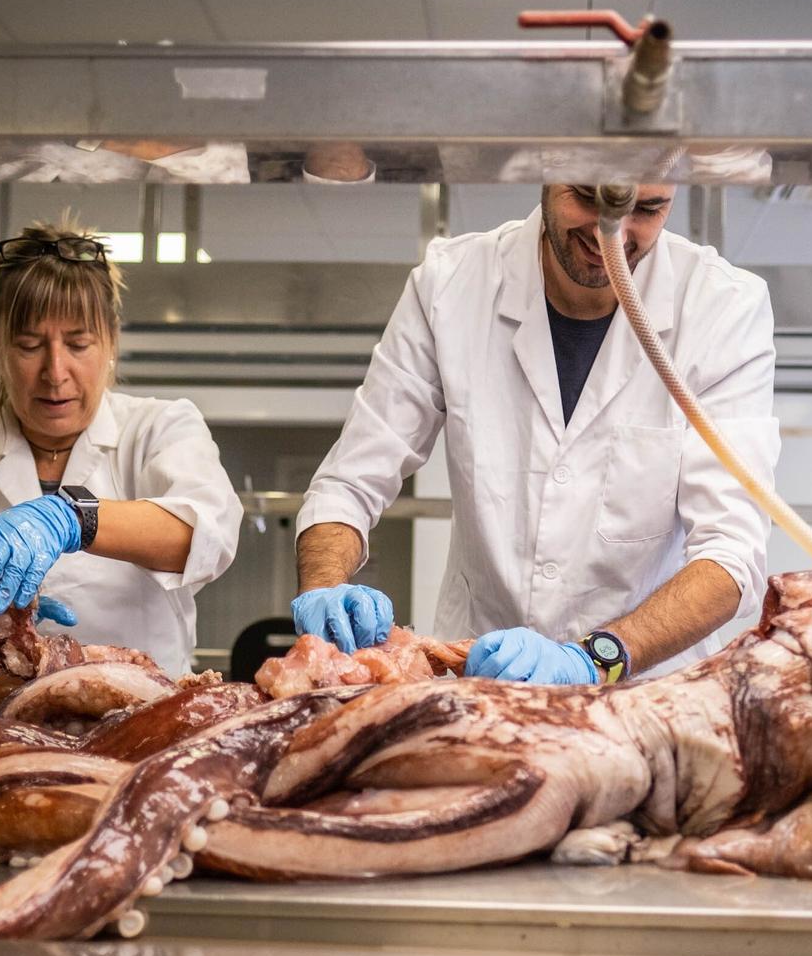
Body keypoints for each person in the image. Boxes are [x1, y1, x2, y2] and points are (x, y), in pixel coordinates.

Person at [292, 184, 780, 685]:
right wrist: (325, 586)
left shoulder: (723, 306)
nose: (609, 230)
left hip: (649, 692)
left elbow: (731, 553)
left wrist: (596, 659)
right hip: (478, 682)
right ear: (546, 169)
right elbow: (350, 481)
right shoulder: (451, 285)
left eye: (647, 209)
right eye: (588, 197)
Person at [0, 220, 242, 678]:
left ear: (111, 341)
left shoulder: (160, 426)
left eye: (78, 344)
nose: (55, 371)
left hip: (144, 715)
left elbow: (206, 538)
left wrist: (74, 517)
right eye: (29, 345)